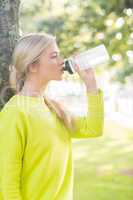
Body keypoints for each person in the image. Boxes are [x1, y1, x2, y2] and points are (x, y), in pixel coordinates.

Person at [0, 33, 104, 200]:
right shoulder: (15, 113)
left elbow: (93, 128)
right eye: (54, 56)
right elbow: (7, 184)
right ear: (33, 66)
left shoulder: (53, 108)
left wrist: (91, 85)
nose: (62, 61)